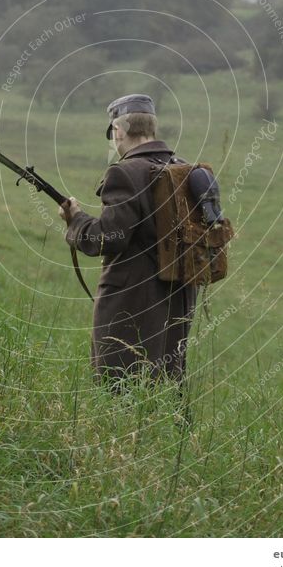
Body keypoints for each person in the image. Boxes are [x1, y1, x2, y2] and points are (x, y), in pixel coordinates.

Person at [58, 93, 198, 391]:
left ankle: (122, 439)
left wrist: (76, 220)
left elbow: (108, 239)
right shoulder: (183, 169)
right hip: (178, 299)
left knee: (118, 387)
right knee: (165, 384)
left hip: (130, 305)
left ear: (119, 130)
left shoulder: (124, 172)